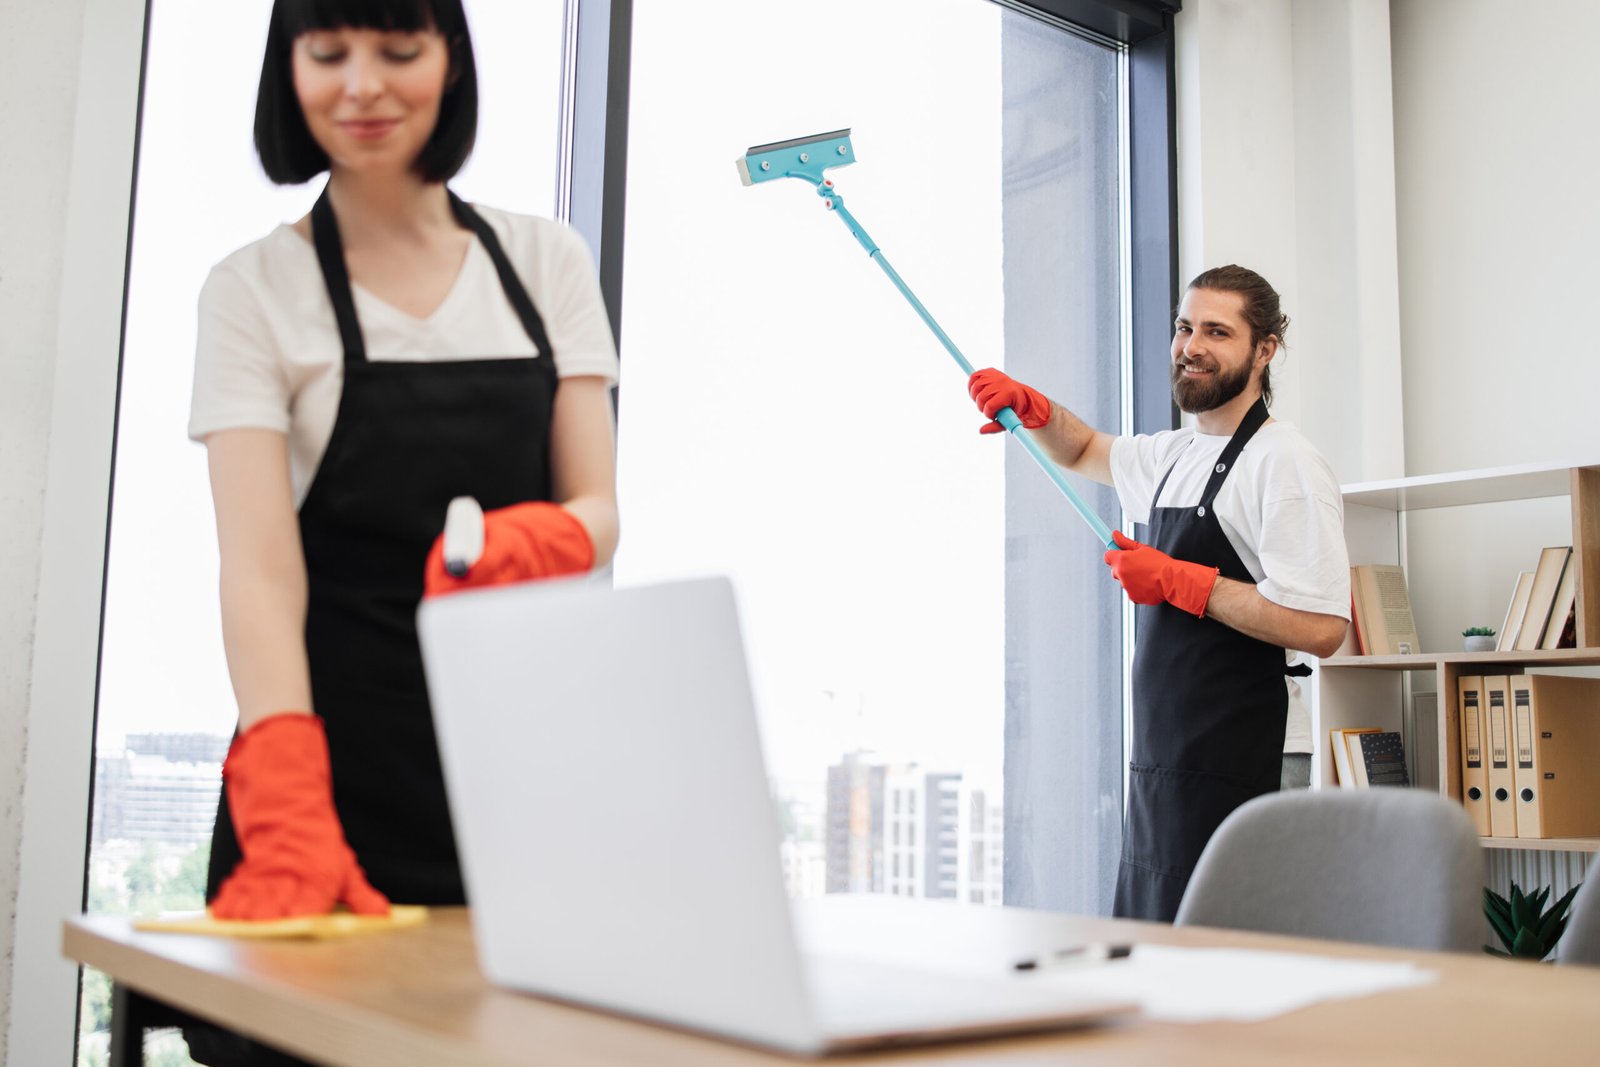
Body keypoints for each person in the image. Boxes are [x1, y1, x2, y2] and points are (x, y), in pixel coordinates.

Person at [184, 1, 617, 1059]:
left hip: (514, 787)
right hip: (328, 777)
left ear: (451, 62)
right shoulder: (253, 290)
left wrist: (537, 545)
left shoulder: (543, 261)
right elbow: (258, 573)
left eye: (398, 50)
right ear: (287, 72)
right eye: (327, 54)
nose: (361, 86)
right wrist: (285, 793)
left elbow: (598, 511)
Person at [968, 265, 1348, 923]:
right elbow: (1083, 447)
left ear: (1265, 350)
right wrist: (1037, 410)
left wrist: (1182, 582)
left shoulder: (1283, 460)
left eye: (1216, 331)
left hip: (1249, 759)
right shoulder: (1175, 453)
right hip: (1164, 765)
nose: (1190, 345)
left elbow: (1321, 626)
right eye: (1183, 326)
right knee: (1156, 950)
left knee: (1229, 958)